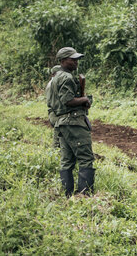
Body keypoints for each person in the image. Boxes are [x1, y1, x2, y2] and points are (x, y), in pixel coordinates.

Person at [47, 47, 95, 197]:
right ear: (62, 61)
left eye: (77, 59)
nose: (76, 62)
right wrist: (85, 99)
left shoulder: (56, 78)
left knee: (67, 161)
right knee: (85, 158)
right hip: (73, 122)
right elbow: (67, 100)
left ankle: (67, 195)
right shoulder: (66, 77)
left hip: (61, 123)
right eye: (72, 59)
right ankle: (85, 195)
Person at [45, 65, 62, 148]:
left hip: (55, 111)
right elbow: (53, 102)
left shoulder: (53, 83)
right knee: (59, 129)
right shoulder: (52, 84)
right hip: (55, 113)